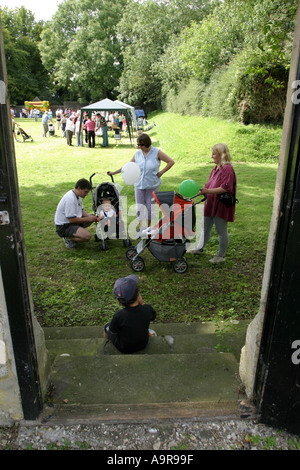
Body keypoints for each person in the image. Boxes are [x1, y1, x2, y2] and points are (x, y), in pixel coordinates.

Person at [107, 133, 175, 233]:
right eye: (138, 145)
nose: (139, 147)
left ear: (147, 144)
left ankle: (148, 227)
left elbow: (171, 162)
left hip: (152, 185)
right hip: (139, 185)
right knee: (140, 207)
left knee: (150, 207)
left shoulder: (157, 152)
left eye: (141, 145)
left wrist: (161, 172)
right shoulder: (137, 154)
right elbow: (128, 166)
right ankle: (140, 227)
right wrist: (114, 172)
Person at [189, 143, 237, 263]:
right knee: (205, 227)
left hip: (220, 205)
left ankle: (220, 256)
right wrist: (200, 191)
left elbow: (226, 188)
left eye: (214, 154)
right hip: (210, 203)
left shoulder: (227, 169)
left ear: (221, 155)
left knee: (221, 230)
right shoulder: (215, 169)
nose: (212, 156)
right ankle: (199, 249)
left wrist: (208, 191)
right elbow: (209, 185)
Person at [103, 275, 157, 354]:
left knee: (106, 326)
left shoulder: (119, 315)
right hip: (143, 344)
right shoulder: (147, 309)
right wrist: (142, 304)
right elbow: (153, 317)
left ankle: (104, 345)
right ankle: (149, 334)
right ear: (138, 294)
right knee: (140, 323)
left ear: (120, 301)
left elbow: (113, 332)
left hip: (124, 348)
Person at [54, 178, 100, 249]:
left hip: (70, 223)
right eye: (85, 192)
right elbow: (71, 220)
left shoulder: (77, 196)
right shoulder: (70, 199)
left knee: (90, 218)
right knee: (87, 236)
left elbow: (81, 210)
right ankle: (68, 238)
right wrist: (88, 219)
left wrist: (90, 217)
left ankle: (75, 234)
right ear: (79, 188)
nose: (87, 194)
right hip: (64, 226)